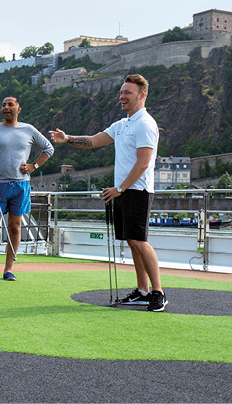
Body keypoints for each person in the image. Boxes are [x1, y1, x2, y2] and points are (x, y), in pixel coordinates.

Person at [49, 74, 167, 311]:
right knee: (132, 242)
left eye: (128, 93)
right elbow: (93, 141)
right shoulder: (122, 125)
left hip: (138, 190)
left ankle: (159, 293)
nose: (122, 96)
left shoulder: (145, 124)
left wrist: (119, 188)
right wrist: (67, 139)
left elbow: (143, 163)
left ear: (142, 95)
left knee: (140, 241)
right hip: (122, 192)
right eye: (121, 92)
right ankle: (143, 291)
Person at [0, 96, 54, 281]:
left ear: (19, 108)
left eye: (10, 104)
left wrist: (34, 166)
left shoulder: (28, 129)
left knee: (15, 228)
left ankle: (8, 270)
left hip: (21, 186)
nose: (6, 107)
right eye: (3, 105)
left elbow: (48, 148)